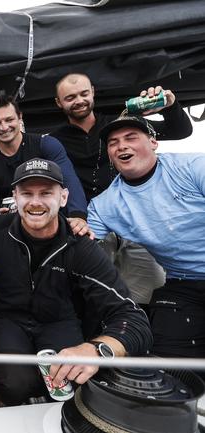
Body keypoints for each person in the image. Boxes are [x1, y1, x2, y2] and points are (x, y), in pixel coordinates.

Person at [0, 158, 152, 407]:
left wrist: (95, 350)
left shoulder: (82, 246)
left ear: (63, 198)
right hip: (8, 317)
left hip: (59, 319)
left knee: (69, 380)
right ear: (15, 198)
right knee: (13, 384)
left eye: (46, 193)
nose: (36, 202)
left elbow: (133, 319)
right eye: (27, 193)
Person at [51, 73, 193, 304]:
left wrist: (169, 105)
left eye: (84, 94)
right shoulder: (54, 140)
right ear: (59, 102)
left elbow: (180, 131)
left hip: (135, 222)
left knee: (148, 292)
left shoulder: (118, 124)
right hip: (90, 227)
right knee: (94, 295)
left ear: (93, 92)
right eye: (70, 97)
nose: (79, 100)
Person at [88, 115, 205, 361]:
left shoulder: (193, 166)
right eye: (113, 142)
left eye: (131, 138)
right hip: (183, 282)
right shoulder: (103, 205)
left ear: (154, 142)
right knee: (167, 367)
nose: (122, 146)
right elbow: (83, 248)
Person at [0, 91, 88, 229]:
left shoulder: (46, 144)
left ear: (20, 117)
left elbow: (70, 181)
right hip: (15, 229)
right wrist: (0, 216)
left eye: (9, 120)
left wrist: (78, 216)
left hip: (57, 223)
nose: (4, 127)